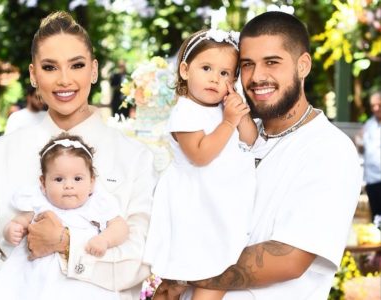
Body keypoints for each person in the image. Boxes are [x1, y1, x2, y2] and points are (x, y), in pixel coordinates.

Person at [154, 11, 362, 300]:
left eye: (272, 62)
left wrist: (183, 273)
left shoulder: (329, 149)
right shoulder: (239, 132)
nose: (257, 76)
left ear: (303, 65)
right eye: (247, 65)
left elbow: (288, 258)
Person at [0, 11, 156, 300]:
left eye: (77, 65)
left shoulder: (134, 157)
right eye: (50, 67)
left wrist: (67, 244)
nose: (64, 80)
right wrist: (15, 291)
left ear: (94, 70)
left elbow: (141, 256)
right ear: (34, 75)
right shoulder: (2, 152)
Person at [144, 28, 257, 300]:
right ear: (185, 70)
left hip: (222, 200)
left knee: (221, 265)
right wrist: (229, 122)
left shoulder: (225, 108)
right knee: (189, 270)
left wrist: (238, 113)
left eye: (224, 73)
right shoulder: (185, 110)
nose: (214, 78)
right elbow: (200, 154)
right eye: (206, 68)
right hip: (196, 203)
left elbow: (251, 139)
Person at [0, 133, 128, 299]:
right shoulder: (39, 202)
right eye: (59, 179)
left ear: (92, 182)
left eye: (77, 178)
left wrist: (105, 239)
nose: (68, 185)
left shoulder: (96, 203)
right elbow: (20, 221)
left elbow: (120, 226)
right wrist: (11, 230)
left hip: (79, 277)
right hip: (36, 278)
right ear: (43, 183)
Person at [358, 91, 381, 221]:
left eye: (379, 105)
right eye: (373, 106)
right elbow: (362, 146)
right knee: (376, 218)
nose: (376, 108)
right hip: (372, 179)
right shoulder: (369, 124)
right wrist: (358, 142)